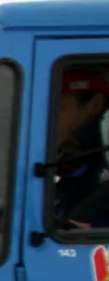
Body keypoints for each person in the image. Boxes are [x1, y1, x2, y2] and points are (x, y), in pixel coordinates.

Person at [55, 67, 109, 229]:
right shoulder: (73, 164)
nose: (48, 119)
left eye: (58, 107)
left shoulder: (96, 162)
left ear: (95, 105)